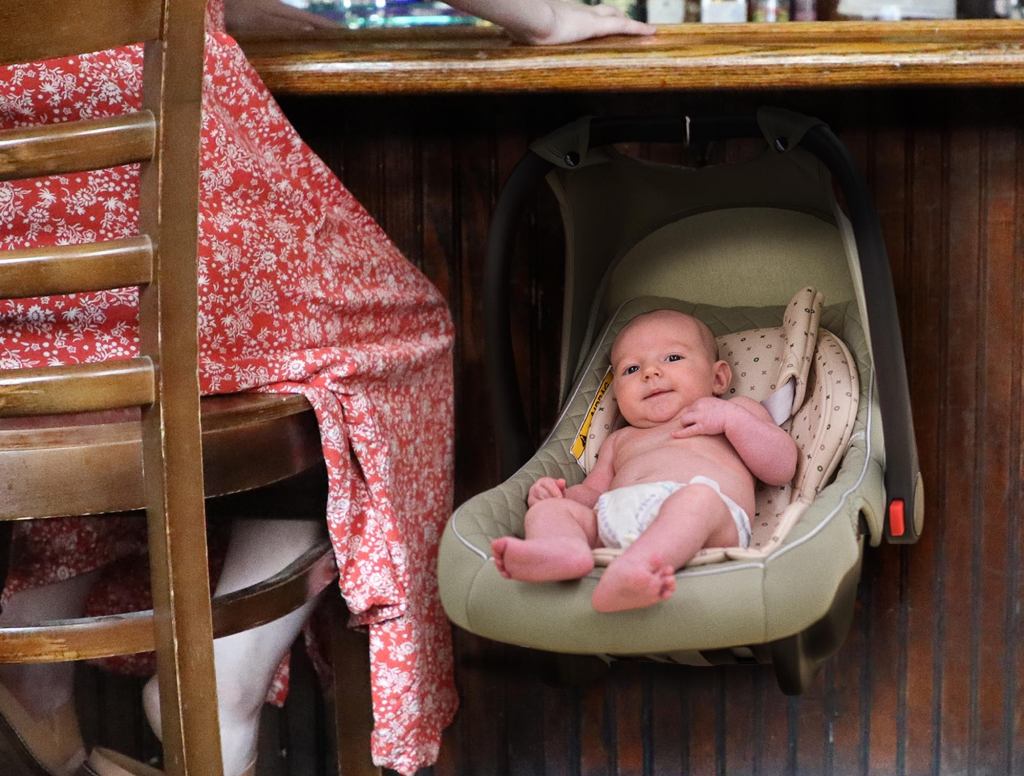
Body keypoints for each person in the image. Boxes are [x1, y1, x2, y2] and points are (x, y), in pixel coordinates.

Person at [0, 2, 655, 776]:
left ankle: (36, 656)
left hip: (23, 289)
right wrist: (540, 17)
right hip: (159, 194)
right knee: (387, 346)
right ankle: (220, 683)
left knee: (105, 368)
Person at [491, 309, 798, 612]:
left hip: (706, 522)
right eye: (632, 370)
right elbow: (592, 493)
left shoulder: (736, 411)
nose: (651, 372)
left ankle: (638, 567)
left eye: (673, 358)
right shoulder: (619, 440)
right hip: (614, 518)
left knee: (698, 499)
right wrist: (560, 497)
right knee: (548, 511)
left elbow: (782, 467)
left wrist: (733, 420)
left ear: (718, 378)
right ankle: (563, 550)